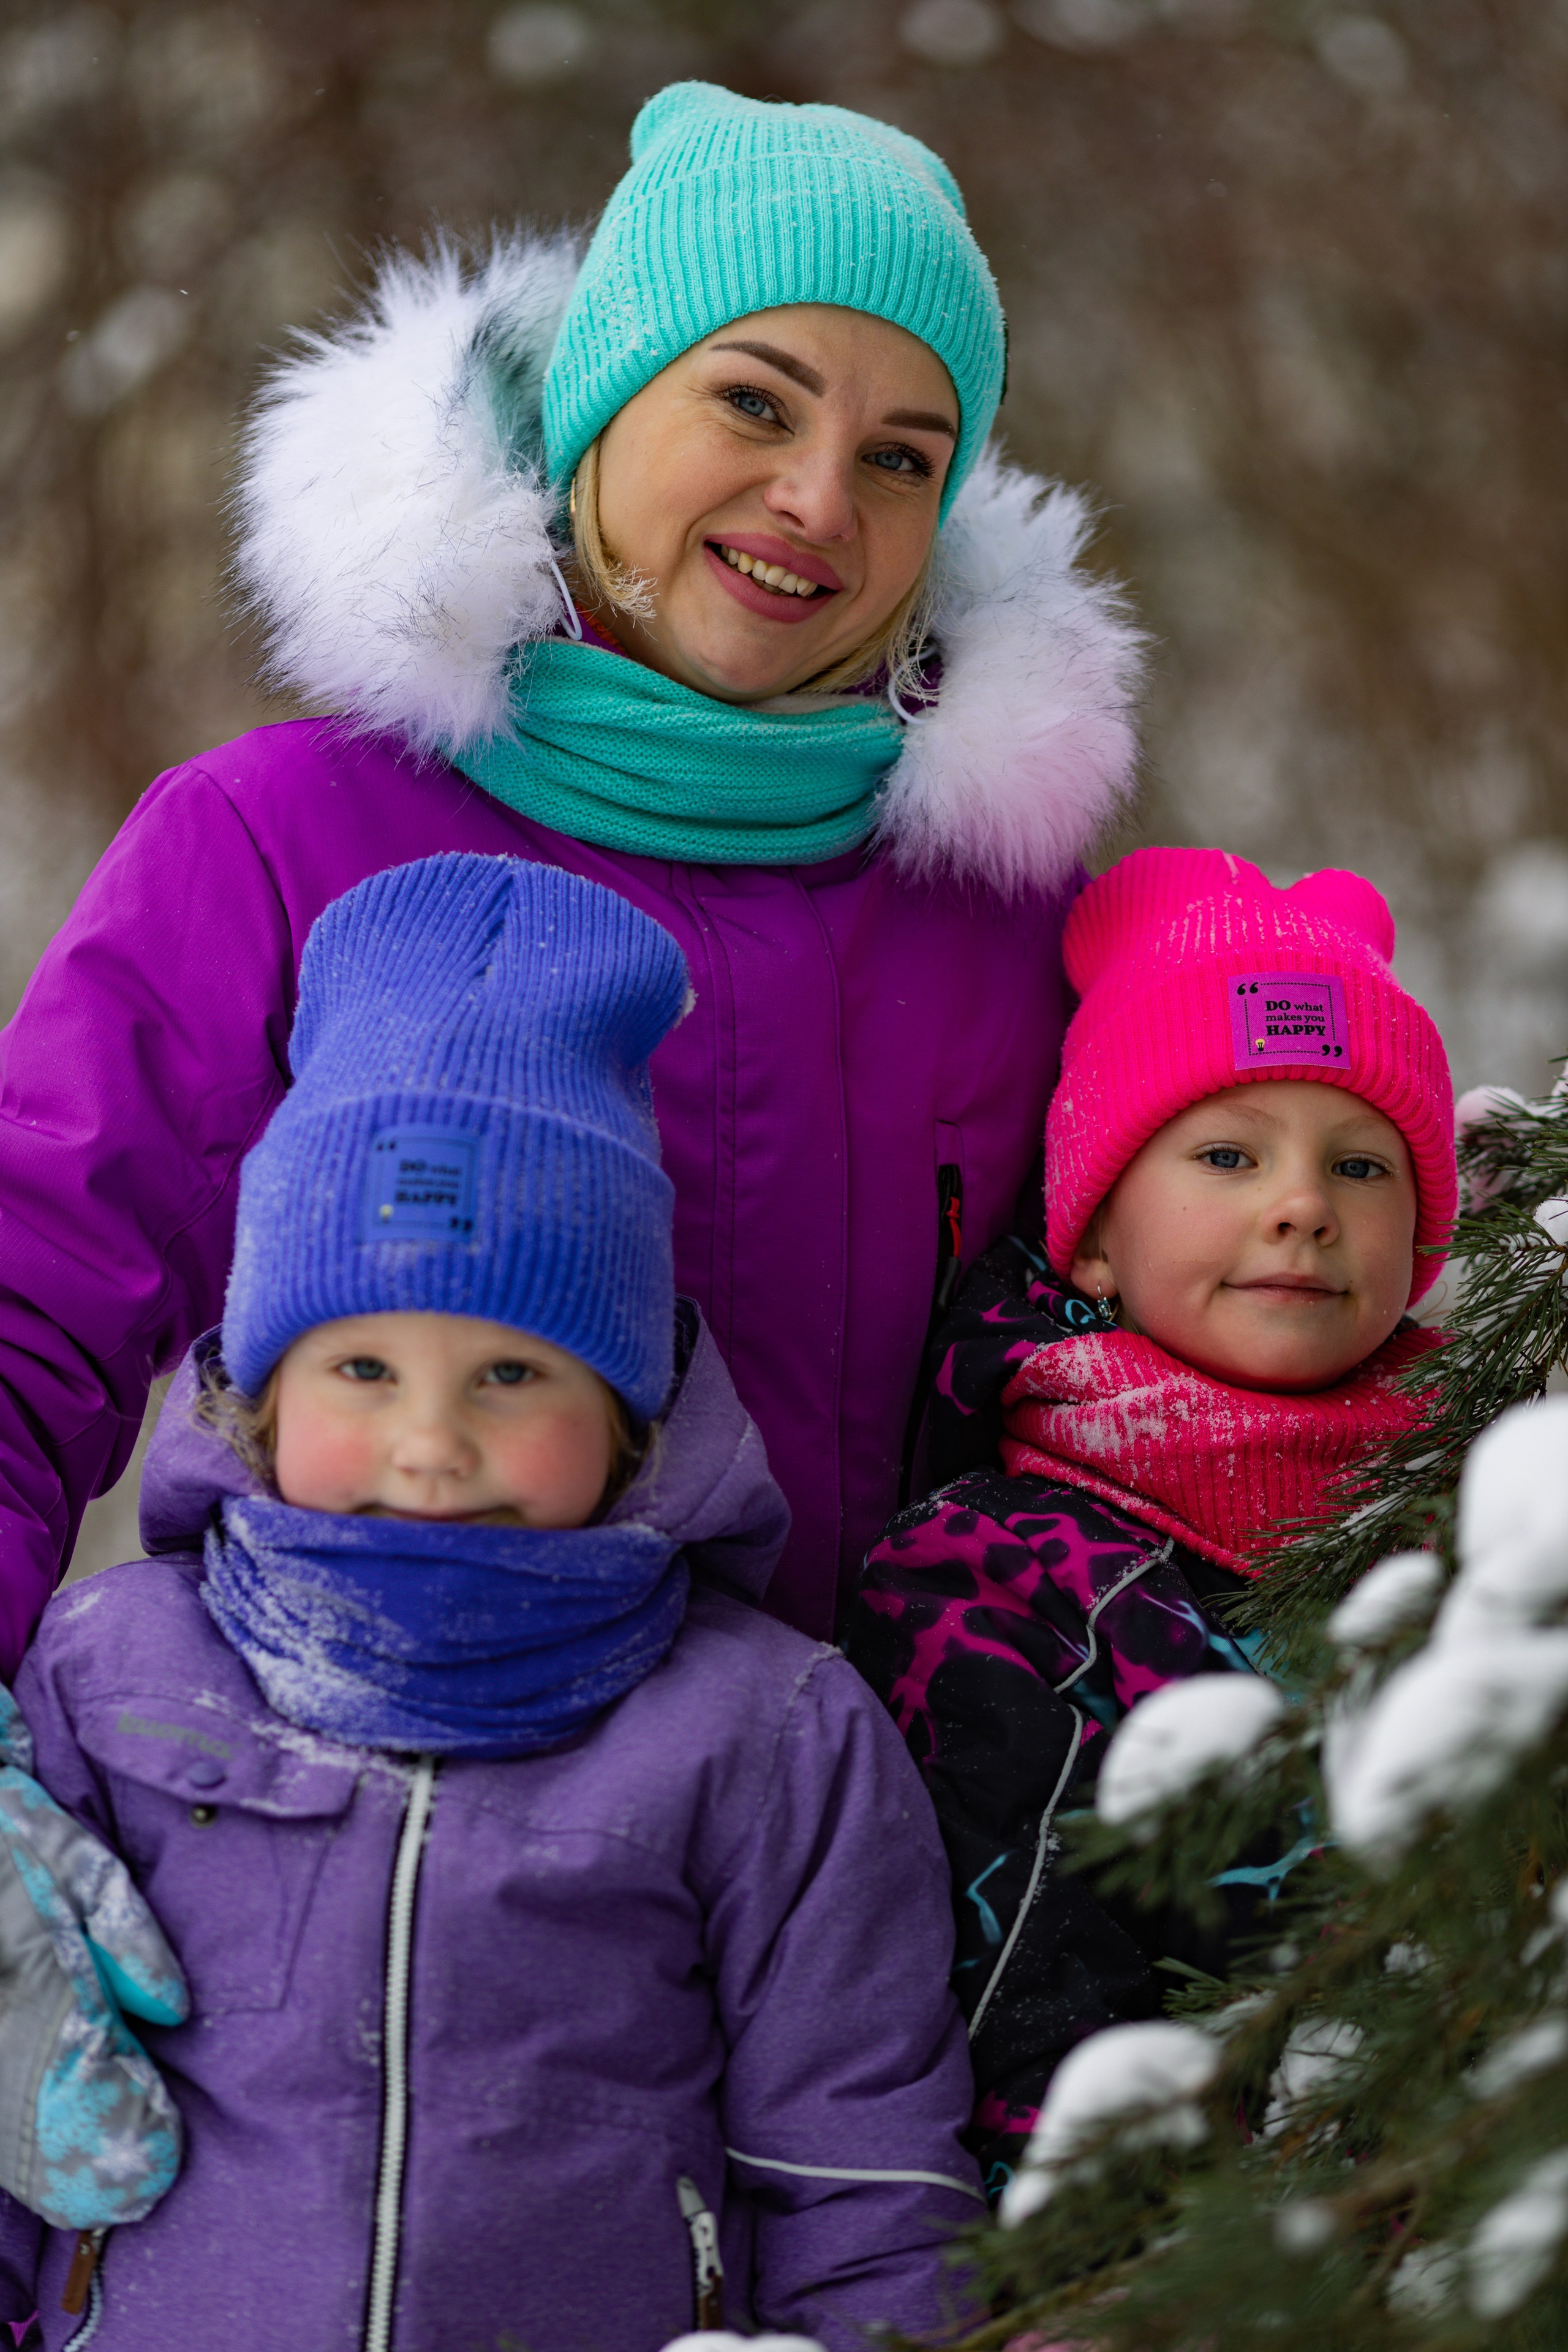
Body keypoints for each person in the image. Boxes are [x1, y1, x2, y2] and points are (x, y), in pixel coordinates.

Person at [0, 80, 1144, 1681]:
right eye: (755, 403)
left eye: (901, 456)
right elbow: (24, 1313)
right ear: (600, 406)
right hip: (376, 1865)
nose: (819, 499)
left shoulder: (1007, 918)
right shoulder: (271, 844)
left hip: (891, 1880)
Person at [0, 853, 984, 2351]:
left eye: (512, 1374)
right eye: (362, 1369)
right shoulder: (114, 1668)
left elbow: (860, 2177)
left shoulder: (765, 1732)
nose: (431, 1443)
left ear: (630, 1405)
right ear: (263, 1393)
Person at [845, 846, 1457, 2201]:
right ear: (1092, 1237)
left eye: (1359, 1165)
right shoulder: (994, 1573)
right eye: (1225, 1155)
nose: (1300, 1205)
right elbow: (1019, 2000)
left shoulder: (1477, 1530)